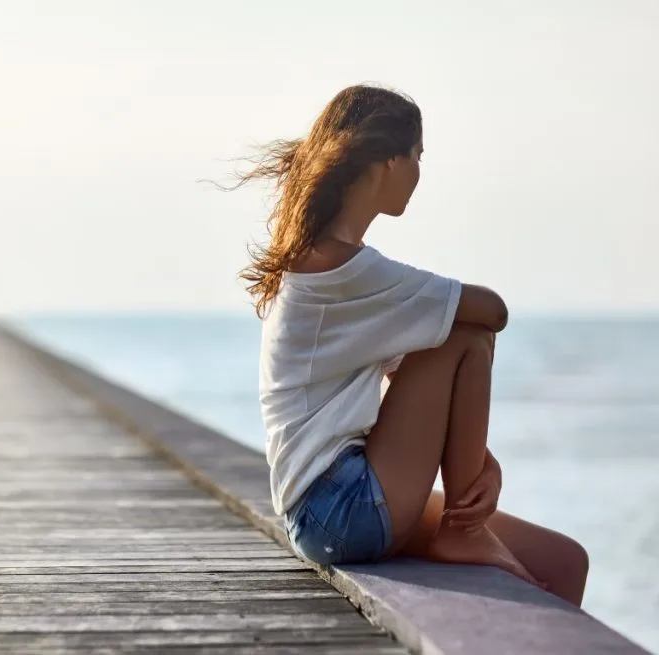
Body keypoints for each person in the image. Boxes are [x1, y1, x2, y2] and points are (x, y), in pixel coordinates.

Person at [233, 84, 589, 606]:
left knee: (563, 562)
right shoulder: (342, 268)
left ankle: (465, 522)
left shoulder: (331, 263)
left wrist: (479, 458)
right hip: (338, 506)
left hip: (335, 506)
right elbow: (492, 311)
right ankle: (464, 528)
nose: (421, 173)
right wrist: (470, 472)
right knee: (464, 329)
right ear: (386, 161)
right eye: (418, 157)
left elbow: (415, 379)